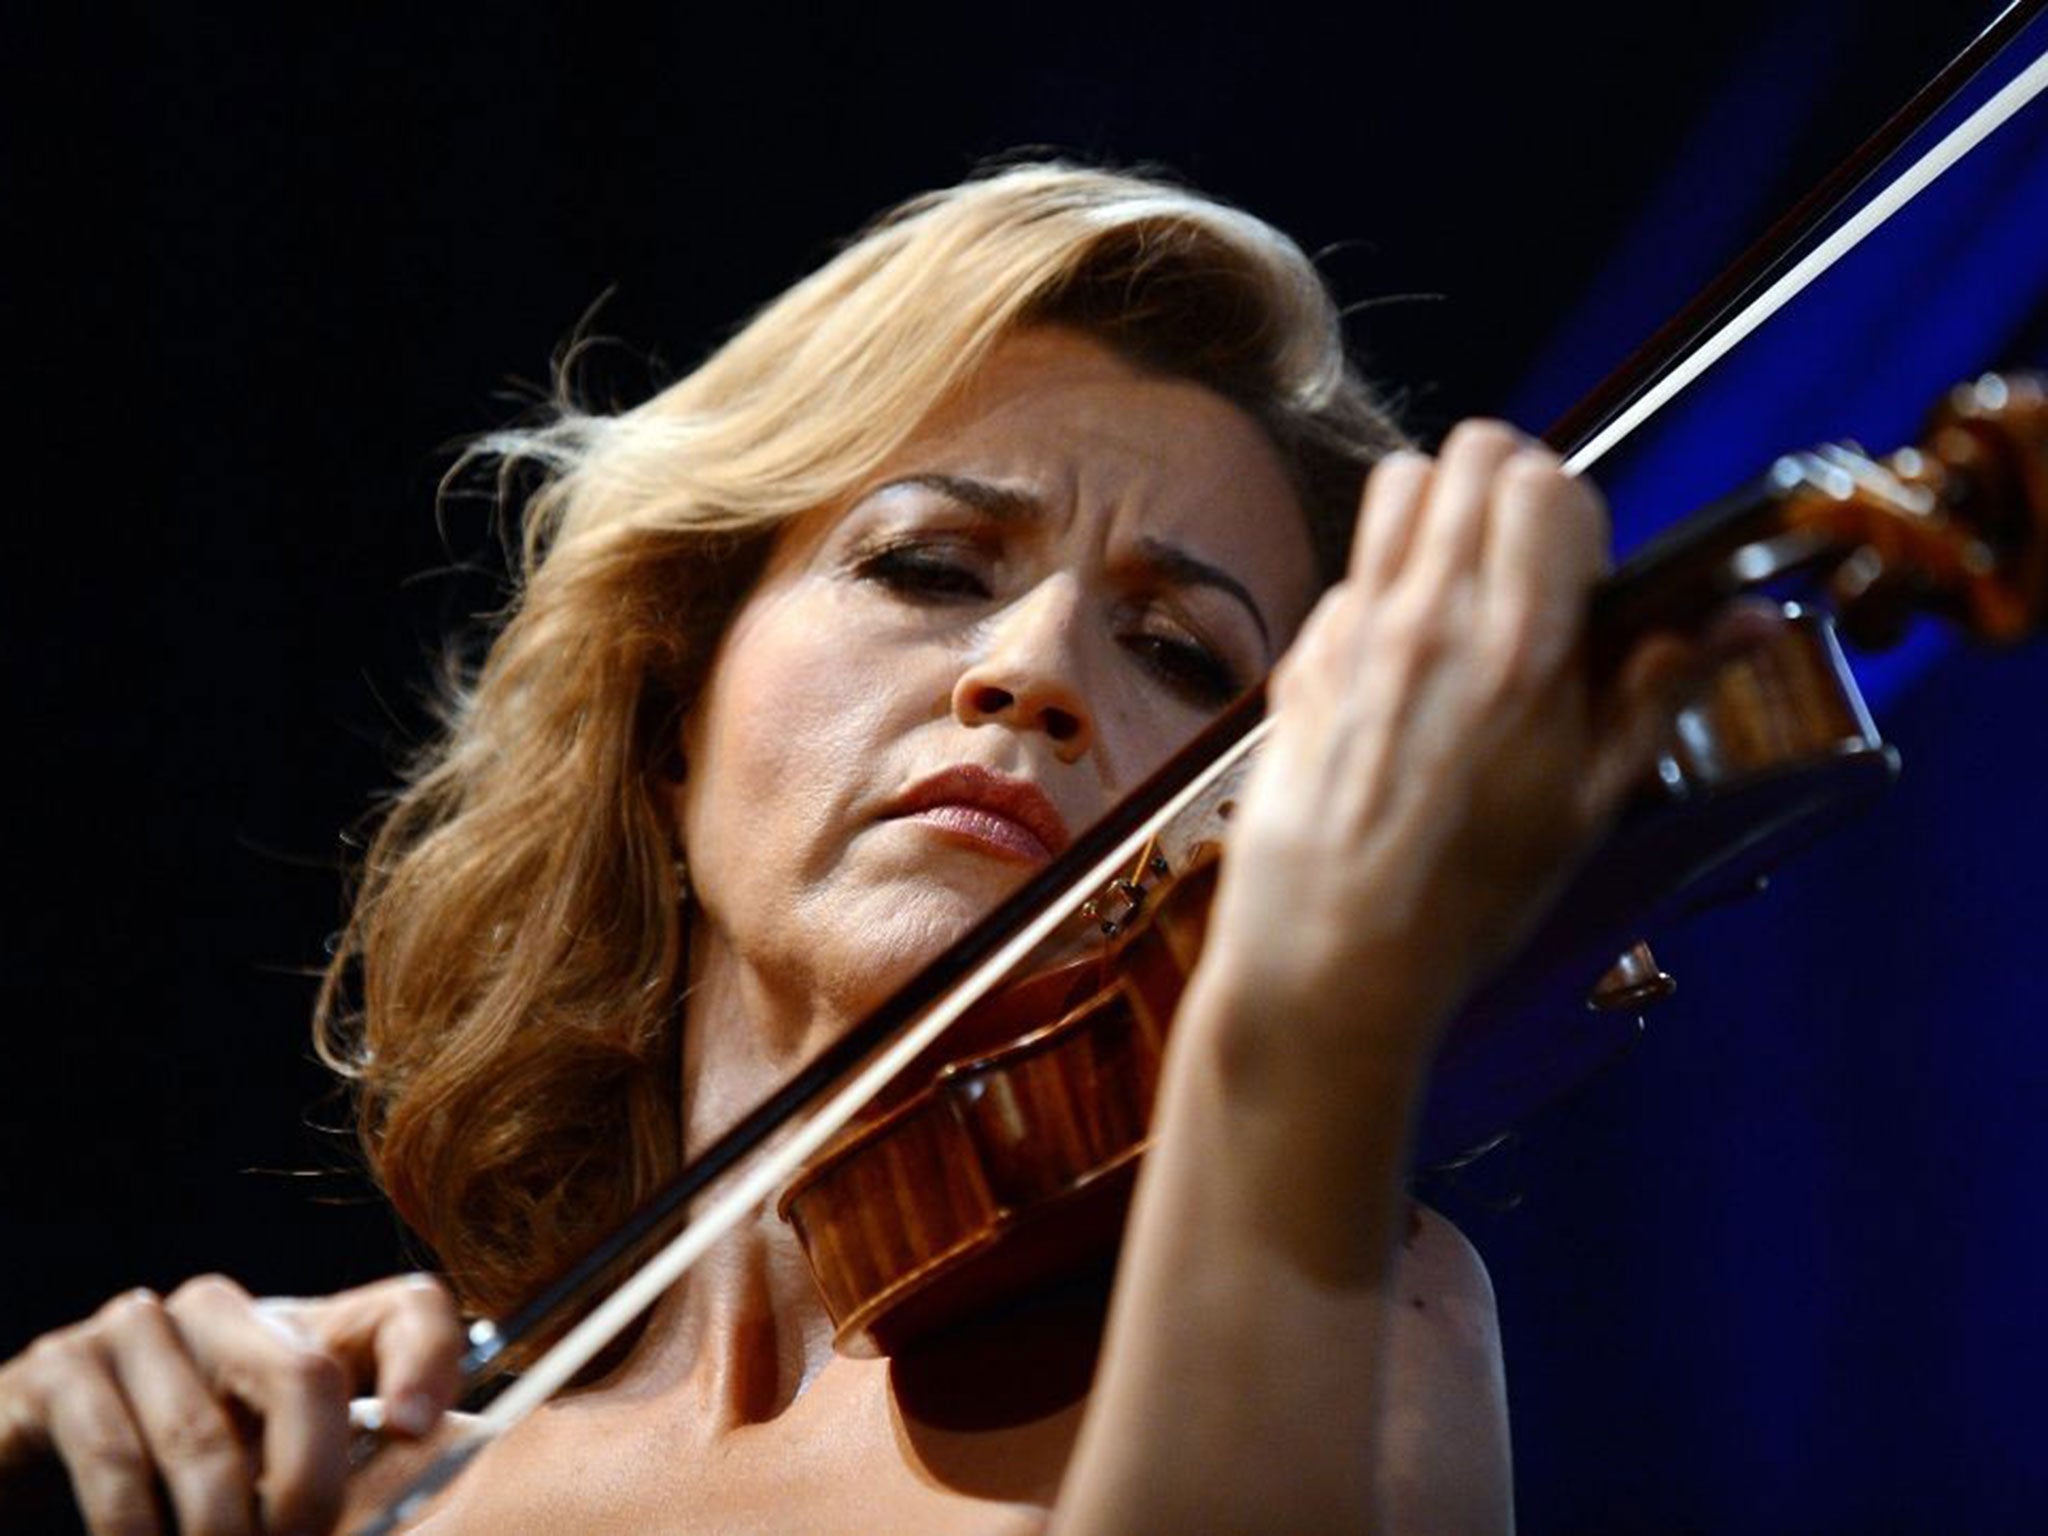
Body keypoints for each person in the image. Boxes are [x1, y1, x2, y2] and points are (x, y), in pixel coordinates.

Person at [0, 162, 1699, 1534]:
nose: (1031, 673)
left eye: (1181, 654)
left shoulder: (1351, 1317)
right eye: (931, 565)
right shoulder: (382, 1467)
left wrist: (1312, 1049)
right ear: (676, 710)